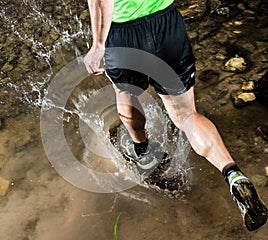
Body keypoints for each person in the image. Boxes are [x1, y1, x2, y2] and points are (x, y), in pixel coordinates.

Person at [83, 0, 268, 231]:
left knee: (126, 93)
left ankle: (142, 150)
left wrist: (98, 44)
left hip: (122, 30)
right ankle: (233, 174)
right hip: (167, 23)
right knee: (186, 115)